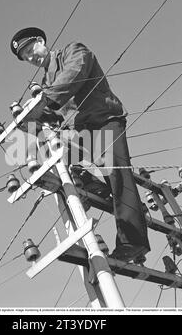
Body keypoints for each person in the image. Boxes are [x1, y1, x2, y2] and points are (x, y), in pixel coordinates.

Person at [10, 27, 150, 262]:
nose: (30, 57)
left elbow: (74, 75)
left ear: (41, 41)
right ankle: (90, 182)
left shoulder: (72, 52)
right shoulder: (46, 83)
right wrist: (26, 122)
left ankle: (132, 242)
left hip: (104, 121)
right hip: (80, 132)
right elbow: (52, 117)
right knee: (54, 152)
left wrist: (44, 101)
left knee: (118, 175)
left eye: (30, 49)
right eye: (25, 57)